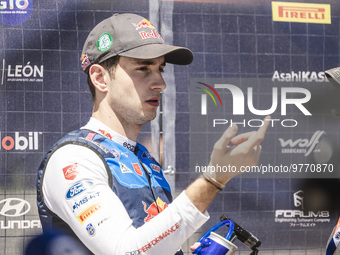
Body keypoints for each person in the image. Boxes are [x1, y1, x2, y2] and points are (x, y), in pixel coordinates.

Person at [36, 13, 270, 255]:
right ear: (100, 77)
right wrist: (213, 178)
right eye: (143, 69)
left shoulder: (144, 158)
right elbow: (126, 251)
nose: (160, 83)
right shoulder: (74, 158)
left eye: (160, 69)